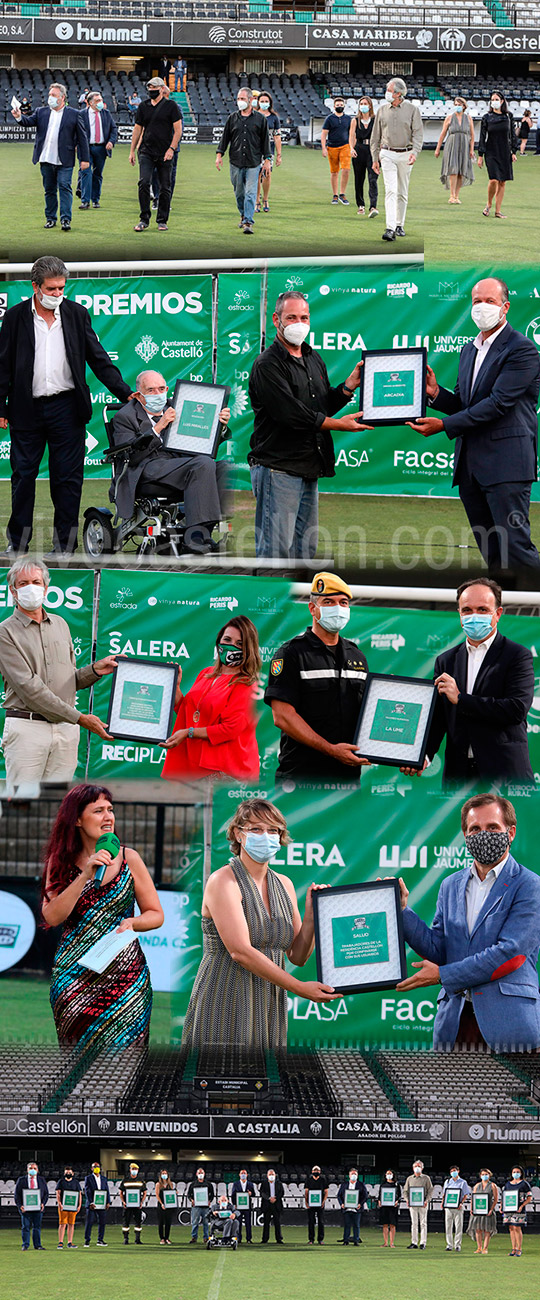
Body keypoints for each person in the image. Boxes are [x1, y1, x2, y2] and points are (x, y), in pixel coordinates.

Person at [180, 798, 339, 1052]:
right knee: (220, 1084)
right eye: (256, 829)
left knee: (262, 1086)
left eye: (273, 830)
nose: (266, 836)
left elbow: (298, 956)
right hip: (225, 996)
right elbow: (240, 951)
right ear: (238, 835)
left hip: (268, 1001)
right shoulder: (223, 881)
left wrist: (310, 917)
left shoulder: (284, 884)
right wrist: (299, 988)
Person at [0, 254, 133, 556]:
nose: (58, 295)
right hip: (26, 410)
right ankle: (17, 543)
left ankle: (65, 546)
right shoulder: (15, 317)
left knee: (68, 479)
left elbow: (98, 358)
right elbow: (3, 365)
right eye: (51, 289)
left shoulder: (76, 314)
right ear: (35, 287)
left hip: (67, 409)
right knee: (23, 477)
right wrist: (1, 407)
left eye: (61, 288)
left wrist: (125, 393)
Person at [409, 276, 540, 574]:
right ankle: (509, 612)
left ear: (505, 307)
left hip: (506, 466)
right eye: (477, 301)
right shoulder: (469, 350)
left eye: (490, 301)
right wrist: (435, 393)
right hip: (470, 467)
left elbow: (497, 404)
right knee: (492, 553)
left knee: (516, 549)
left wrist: (443, 425)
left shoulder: (522, 350)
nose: (482, 307)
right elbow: (467, 406)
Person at [395, 793, 540, 1051]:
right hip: (455, 1024)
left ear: (511, 832)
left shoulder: (529, 885)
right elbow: (439, 949)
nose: (484, 834)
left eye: (492, 827)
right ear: (466, 836)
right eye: (475, 829)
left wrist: (443, 975)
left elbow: (511, 953)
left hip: (509, 1025)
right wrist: (402, 911)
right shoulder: (450, 885)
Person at [42, 785, 164, 1055]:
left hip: (127, 979)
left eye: (110, 810)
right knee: (78, 1068)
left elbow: (156, 914)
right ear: (76, 819)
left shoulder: (129, 858)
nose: (108, 817)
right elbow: (52, 916)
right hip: (74, 979)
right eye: (98, 811)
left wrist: (134, 923)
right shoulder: (59, 860)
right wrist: (85, 875)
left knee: (126, 1066)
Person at [248, 291, 370, 558]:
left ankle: (298, 600)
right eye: (291, 317)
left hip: (309, 466)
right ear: (276, 319)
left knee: (306, 550)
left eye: (304, 317)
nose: (298, 323)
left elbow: (321, 406)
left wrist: (349, 387)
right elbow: (291, 414)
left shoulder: (313, 358)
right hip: (277, 468)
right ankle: (266, 601)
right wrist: (338, 425)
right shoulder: (267, 365)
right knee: (275, 552)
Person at [0, 559, 116, 797]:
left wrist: (94, 670)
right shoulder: (4, 632)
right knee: (20, 808)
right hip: (28, 728)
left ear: (45, 587)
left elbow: (67, 681)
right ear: (13, 590)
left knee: (57, 808)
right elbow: (28, 687)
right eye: (23, 583)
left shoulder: (61, 624)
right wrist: (80, 718)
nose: (30, 587)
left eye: (36, 582)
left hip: (65, 730)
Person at [421, 577, 535, 785]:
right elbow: (438, 718)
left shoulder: (517, 655)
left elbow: (516, 709)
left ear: (498, 613)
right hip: (459, 774)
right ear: (459, 614)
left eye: (482, 609)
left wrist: (462, 699)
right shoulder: (446, 660)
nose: (474, 616)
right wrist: (422, 756)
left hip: (505, 774)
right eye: (467, 610)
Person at [110, 370, 230, 555]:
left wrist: (218, 425)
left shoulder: (176, 406)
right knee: (202, 464)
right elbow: (131, 456)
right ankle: (193, 540)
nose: (158, 394)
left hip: (177, 465)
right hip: (146, 470)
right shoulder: (124, 417)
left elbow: (200, 438)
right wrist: (158, 427)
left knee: (222, 468)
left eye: (161, 388)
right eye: (150, 390)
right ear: (138, 395)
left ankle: (201, 534)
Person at [265, 571, 370, 782]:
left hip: (346, 778)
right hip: (301, 777)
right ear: (313, 608)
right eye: (329, 602)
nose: (338, 608)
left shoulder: (356, 656)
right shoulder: (291, 653)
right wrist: (331, 749)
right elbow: (282, 716)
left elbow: (366, 714)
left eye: (343, 602)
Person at [162, 615, 261, 782]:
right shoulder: (205, 673)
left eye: (239, 644)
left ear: (248, 649)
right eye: (227, 640)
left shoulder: (246, 683)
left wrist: (189, 732)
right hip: (196, 769)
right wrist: (175, 687)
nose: (231, 647)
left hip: (226, 773)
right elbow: (187, 712)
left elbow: (230, 729)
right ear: (219, 642)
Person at [11, 81, 90, 231]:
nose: (50, 98)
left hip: (64, 159)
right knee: (49, 190)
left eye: (53, 95)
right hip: (45, 158)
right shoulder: (42, 111)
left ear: (62, 97)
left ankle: (66, 219)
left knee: (65, 187)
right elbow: (28, 122)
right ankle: (50, 218)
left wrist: (84, 159)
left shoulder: (74, 114)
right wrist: (19, 116)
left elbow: (82, 138)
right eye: (49, 95)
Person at [370, 76, 423, 240]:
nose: (387, 93)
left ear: (399, 93)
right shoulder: (382, 110)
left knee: (402, 192)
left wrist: (415, 152)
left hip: (406, 154)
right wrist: (374, 158)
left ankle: (400, 224)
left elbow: (418, 134)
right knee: (391, 190)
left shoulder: (413, 110)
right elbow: (375, 136)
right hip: (387, 154)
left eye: (389, 90)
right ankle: (390, 228)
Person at [215, 86, 271, 235]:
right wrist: (219, 155)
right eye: (238, 99)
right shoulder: (232, 118)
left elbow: (266, 140)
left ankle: (248, 221)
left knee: (251, 192)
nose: (240, 101)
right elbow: (225, 138)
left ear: (250, 100)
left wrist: (267, 159)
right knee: (239, 193)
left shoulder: (260, 119)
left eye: (242, 99)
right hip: (236, 161)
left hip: (253, 162)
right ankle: (242, 214)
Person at [130, 77, 182, 232]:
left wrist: (171, 149)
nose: (151, 91)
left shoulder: (171, 106)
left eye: (154, 88)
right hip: (146, 151)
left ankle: (162, 220)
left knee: (165, 186)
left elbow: (178, 130)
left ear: (161, 89)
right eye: (149, 89)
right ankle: (144, 218)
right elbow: (137, 129)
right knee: (144, 183)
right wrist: (132, 150)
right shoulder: (143, 107)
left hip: (165, 152)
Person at [478, 90, 518, 218]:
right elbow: (482, 136)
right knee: (494, 179)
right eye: (492, 99)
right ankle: (489, 204)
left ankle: (498, 211)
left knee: (502, 181)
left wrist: (514, 151)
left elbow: (512, 134)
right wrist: (480, 155)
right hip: (491, 151)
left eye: (496, 99)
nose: (494, 102)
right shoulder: (487, 117)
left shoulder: (508, 116)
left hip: (505, 151)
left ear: (502, 101)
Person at [79, 90, 117, 209]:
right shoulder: (82, 114)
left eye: (101, 100)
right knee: (86, 173)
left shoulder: (106, 113)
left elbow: (113, 129)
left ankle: (95, 199)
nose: (100, 102)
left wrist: (111, 141)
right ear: (90, 103)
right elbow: (76, 132)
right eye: (97, 101)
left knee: (98, 174)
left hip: (101, 148)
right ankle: (85, 201)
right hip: (86, 148)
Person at [435, 95, 475, 204]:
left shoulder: (468, 118)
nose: (457, 107)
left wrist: (472, 149)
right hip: (452, 145)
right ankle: (451, 195)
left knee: (461, 171)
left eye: (459, 105)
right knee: (453, 170)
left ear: (464, 106)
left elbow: (472, 135)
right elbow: (443, 134)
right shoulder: (449, 118)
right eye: (455, 105)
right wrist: (438, 148)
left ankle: (457, 196)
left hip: (464, 145)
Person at [151, 84, 182, 209]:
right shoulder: (151, 107)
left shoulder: (176, 108)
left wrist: (171, 147)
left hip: (171, 148)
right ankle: (157, 198)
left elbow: (179, 129)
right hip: (154, 149)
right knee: (154, 173)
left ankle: (166, 200)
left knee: (169, 176)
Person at [349, 95, 378, 216]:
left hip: (372, 149)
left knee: (373, 178)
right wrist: (351, 148)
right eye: (361, 104)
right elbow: (351, 136)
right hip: (359, 149)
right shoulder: (355, 121)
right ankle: (361, 205)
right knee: (359, 179)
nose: (363, 106)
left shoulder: (375, 120)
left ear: (370, 105)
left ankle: (373, 206)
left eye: (365, 104)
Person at [321, 94, 352, 205]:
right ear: (334, 106)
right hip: (332, 147)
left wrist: (352, 147)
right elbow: (324, 134)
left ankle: (342, 193)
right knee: (334, 172)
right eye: (337, 105)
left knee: (346, 169)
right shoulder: (329, 118)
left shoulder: (348, 119)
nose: (339, 106)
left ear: (344, 106)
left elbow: (352, 134)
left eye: (341, 105)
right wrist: (324, 148)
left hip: (345, 146)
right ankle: (335, 194)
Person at [255, 91, 281, 213]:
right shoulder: (254, 115)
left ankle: (265, 199)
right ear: (258, 102)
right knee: (256, 175)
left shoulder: (274, 117)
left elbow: (277, 136)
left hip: (268, 150)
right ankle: (256, 200)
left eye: (266, 101)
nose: (264, 103)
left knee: (267, 174)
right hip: (255, 150)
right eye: (262, 101)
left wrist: (279, 155)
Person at [15, 1161, 48, 1251]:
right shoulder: (21, 1180)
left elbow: (46, 1193)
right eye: (30, 1168)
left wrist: (43, 1203)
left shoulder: (41, 1180)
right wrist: (20, 1205)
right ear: (27, 1170)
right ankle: (25, 1245)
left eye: (34, 1168)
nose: (32, 1170)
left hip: (38, 1209)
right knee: (25, 1227)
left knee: (37, 1227)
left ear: (37, 1170)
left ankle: (37, 1245)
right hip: (25, 1209)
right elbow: (17, 1194)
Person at [403, 1160, 433, 1250]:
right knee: (414, 1223)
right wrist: (407, 1200)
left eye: (419, 1166)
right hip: (412, 1204)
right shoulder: (409, 1179)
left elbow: (430, 1190)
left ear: (422, 1168)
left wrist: (427, 1200)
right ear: (413, 1168)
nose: (417, 1167)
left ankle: (423, 1243)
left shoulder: (426, 1178)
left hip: (423, 1204)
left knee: (423, 1223)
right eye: (416, 1166)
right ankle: (414, 1242)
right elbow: (405, 1191)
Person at [503, 1164, 532, 1255]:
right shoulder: (508, 1184)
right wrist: (501, 1206)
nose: (516, 1174)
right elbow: (504, 1196)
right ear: (511, 1173)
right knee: (511, 1228)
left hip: (519, 1209)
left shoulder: (524, 1184)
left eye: (518, 1172)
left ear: (521, 1173)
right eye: (514, 1172)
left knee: (517, 1227)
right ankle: (513, 1248)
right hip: (508, 1209)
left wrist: (522, 1206)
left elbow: (529, 1197)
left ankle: (519, 1249)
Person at [468, 1169, 499, 1254]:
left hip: (488, 1211)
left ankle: (485, 1248)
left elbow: (495, 1199)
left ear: (490, 1175)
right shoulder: (477, 1185)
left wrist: (491, 1209)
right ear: (480, 1175)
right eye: (483, 1174)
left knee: (487, 1230)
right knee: (478, 1229)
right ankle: (479, 1248)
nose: (484, 1175)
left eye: (486, 1174)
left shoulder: (493, 1186)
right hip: (478, 1210)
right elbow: (473, 1198)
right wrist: (471, 1208)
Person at [442, 1164, 470, 1252]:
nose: (453, 1172)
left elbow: (465, 1195)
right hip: (448, 1207)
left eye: (454, 1171)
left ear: (458, 1171)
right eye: (451, 1171)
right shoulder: (447, 1182)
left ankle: (457, 1245)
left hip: (458, 1207)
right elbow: (444, 1194)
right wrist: (443, 1203)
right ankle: (449, 1245)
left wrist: (461, 1203)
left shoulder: (463, 1182)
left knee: (458, 1226)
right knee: (448, 1226)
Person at [337, 1167, 367, 1245]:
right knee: (347, 1225)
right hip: (346, 1208)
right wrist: (342, 1204)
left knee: (356, 1225)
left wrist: (360, 1204)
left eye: (355, 1174)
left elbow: (365, 1196)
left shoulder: (361, 1184)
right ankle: (346, 1240)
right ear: (349, 1175)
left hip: (357, 1209)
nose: (354, 1175)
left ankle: (356, 1240)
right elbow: (339, 1195)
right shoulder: (344, 1184)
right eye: (352, 1174)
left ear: (357, 1175)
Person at [119, 1163, 147, 1245]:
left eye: (136, 1169)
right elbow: (121, 1192)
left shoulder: (141, 1180)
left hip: (137, 1205)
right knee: (126, 1223)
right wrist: (123, 1202)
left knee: (138, 1222)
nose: (134, 1171)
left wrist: (141, 1202)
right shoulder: (125, 1180)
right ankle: (126, 1239)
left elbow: (145, 1192)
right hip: (127, 1205)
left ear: (138, 1170)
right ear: (130, 1170)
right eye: (133, 1169)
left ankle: (137, 1239)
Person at [84, 1161, 110, 1247]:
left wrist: (108, 1201)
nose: (96, 1168)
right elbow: (87, 1191)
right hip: (92, 1204)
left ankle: (100, 1240)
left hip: (102, 1204)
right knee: (89, 1222)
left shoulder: (104, 1178)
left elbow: (107, 1190)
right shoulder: (88, 1178)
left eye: (98, 1166)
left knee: (102, 1222)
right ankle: (87, 1240)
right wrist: (91, 1202)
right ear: (91, 1168)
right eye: (94, 1167)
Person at [56, 1165, 82, 1249]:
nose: (68, 1173)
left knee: (71, 1224)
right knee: (62, 1224)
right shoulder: (61, 1181)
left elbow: (79, 1194)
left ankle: (70, 1242)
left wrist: (79, 1205)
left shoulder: (76, 1182)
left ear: (73, 1173)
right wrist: (59, 1203)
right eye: (66, 1172)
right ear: (64, 1173)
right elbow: (58, 1193)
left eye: (69, 1172)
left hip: (73, 1207)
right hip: (63, 1207)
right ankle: (60, 1242)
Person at [187, 1167, 215, 1244]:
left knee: (206, 1223)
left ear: (204, 1174)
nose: (200, 1174)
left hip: (205, 1207)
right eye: (199, 1173)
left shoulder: (208, 1184)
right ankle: (194, 1237)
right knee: (195, 1222)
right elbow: (189, 1194)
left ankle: (206, 1238)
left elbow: (212, 1194)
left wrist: (210, 1201)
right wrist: (191, 1200)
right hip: (196, 1207)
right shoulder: (193, 1184)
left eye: (201, 1173)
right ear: (196, 1174)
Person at [230, 1169, 256, 1244]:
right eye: (242, 1173)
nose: (243, 1174)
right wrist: (234, 1204)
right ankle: (239, 1238)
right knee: (238, 1223)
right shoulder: (236, 1184)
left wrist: (251, 1193)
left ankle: (249, 1239)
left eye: (244, 1173)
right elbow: (233, 1195)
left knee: (248, 1223)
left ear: (247, 1175)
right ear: (239, 1175)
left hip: (247, 1207)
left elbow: (254, 1194)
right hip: (239, 1207)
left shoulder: (250, 1184)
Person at [305, 1165, 329, 1244]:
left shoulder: (323, 1180)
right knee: (311, 1221)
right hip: (311, 1204)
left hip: (320, 1204)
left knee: (321, 1222)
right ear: (312, 1172)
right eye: (314, 1170)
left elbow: (326, 1192)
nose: (316, 1172)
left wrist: (323, 1201)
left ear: (320, 1172)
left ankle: (320, 1239)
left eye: (317, 1170)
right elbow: (306, 1192)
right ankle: (311, 1239)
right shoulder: (308, 1180)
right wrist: (306, 1202)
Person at [378, 1169, 401, 1248]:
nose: (389, 1175)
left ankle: (392, 1242)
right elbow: (380, 1195)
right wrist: (379, 1201)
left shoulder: (396, 1185)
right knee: (385, 1225)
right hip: (384, 1207)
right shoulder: (383, 1185)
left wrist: (397, 1201)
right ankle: (385, 1242)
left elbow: (399, 1196)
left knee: (392, 1225)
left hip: (393, 1208)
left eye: (390, 1173)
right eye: (387, 1173)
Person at [260, 1169, 285, 1243]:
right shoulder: (264, 1183)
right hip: (267, 1205)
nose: (271, 1176)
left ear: (275, 1175)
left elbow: (282, 1192)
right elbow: (262, 1193)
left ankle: (279, 1239)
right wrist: (269, 1198)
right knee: (266, 1223)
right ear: (267, 1176)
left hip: (276, 1205)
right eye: (270, 1174)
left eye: (272, 1174)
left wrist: (275, 1198)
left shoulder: (279, 1183)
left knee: (277, 1223)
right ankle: (265, 1239)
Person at [156, 1168, 175, 1245]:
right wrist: (162, 1204)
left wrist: (175, 1193)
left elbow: (171, 1195)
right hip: (161, 1206)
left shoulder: (171, 1184)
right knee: (161, 1222)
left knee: (168, 1222)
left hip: (169, 1206)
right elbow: (157, 1195)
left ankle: (167, 1237)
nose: (164, 1175)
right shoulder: (158, 1184)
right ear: (160, 1175)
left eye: (165, 1174)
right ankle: (162, 1238)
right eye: (163, 1174)